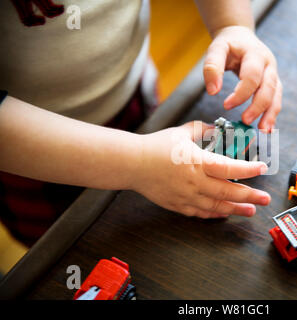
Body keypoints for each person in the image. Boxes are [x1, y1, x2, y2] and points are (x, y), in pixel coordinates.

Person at [0, 0, 282, 246]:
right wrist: (138, 162)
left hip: (135, 95)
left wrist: (232, 25)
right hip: (34, 158)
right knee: (62, 244)